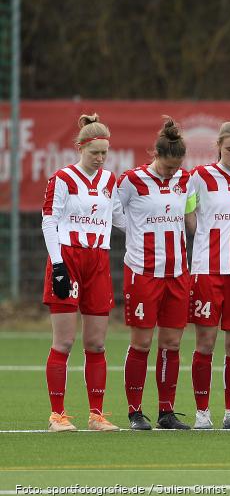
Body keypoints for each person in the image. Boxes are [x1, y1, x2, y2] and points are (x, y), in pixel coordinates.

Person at [41, 113, 120, 432]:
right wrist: (58, 264)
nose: (100, 158)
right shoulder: (63, 178)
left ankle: (96, 414)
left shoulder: (110, 181)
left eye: (104, 153)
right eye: (94, 153)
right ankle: (57, 415)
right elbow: (49, 220)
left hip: (98, 260)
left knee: (97, 344)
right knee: (64, 341)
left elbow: (119, 220)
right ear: (80, 148)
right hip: (68, 260)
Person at [118, 117, 193, 430]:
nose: (173, 172)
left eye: (177, 167)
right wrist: (134, 231)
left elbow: (191, 217)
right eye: (168, 166)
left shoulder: (186, 180)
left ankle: (166, 411)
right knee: (142, 343)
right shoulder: (131, 181)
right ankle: (135, 411)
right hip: (143, 272)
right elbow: (113, 213)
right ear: (156, 156)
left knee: (172, 343)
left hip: (177, 272)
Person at [184, 122, 230, 430]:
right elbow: (186, 209)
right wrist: (198, 236)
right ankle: (203, 412)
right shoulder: (199, 176)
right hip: (206, 270)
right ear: (218, 146)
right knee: (206, 343)